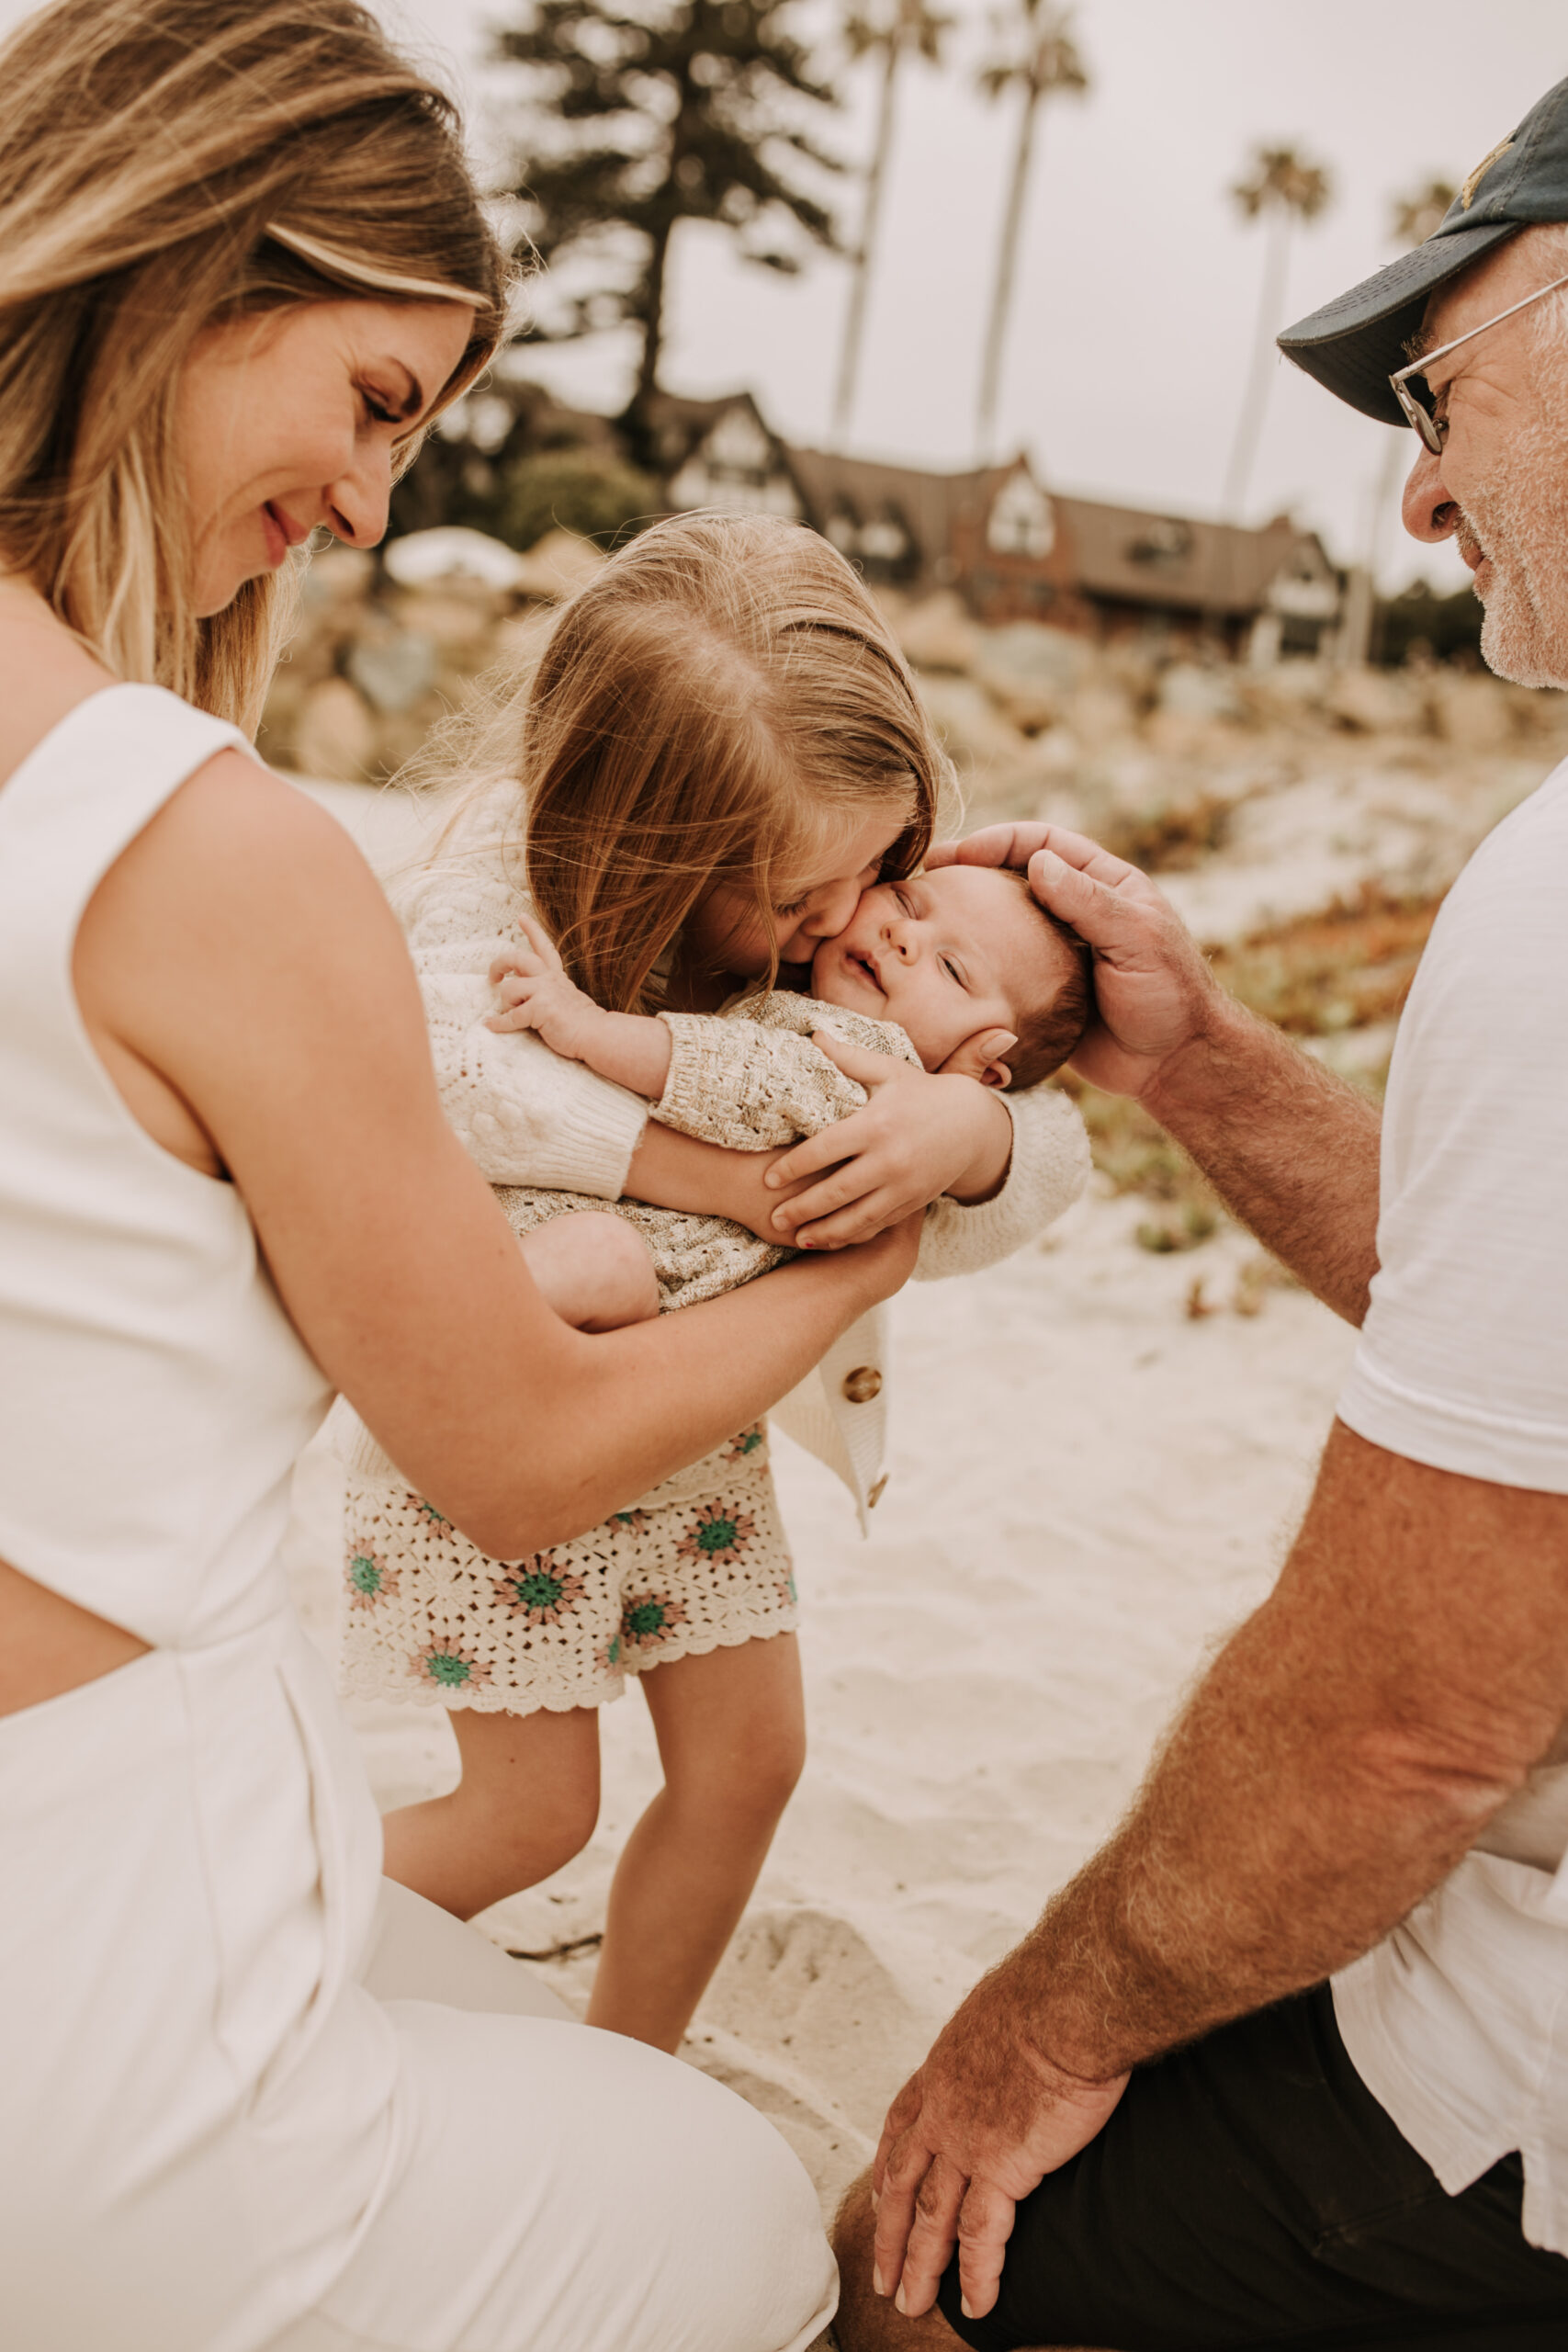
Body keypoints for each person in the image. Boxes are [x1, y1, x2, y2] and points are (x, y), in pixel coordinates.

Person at [0, 6, 921, 2348]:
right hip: (96, 2012)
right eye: (378, 403)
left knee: (495, 2013)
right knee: (740, 2206)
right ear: (194, 266)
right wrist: (861, 1243)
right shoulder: (196, 848)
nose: (376, 504)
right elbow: (500, 1449)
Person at [831, 73, 1568, 2352]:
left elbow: (1405, 1726)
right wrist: (1197, 1069)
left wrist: (1025, 2034)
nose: (1420, 489)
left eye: (1439, 386)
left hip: (1519, 2122)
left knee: (909, 2277)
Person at [331, 514, 1092, 2052]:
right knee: (527, 1818)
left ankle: (633, 2058)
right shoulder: (511, 876)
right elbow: (451, 1075)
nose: (852, 923)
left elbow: (1043, 1171)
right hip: (506, 1395)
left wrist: (973, 1129)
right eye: (806, 895)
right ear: (648, 844)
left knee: (752, 1765)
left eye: (879, 868)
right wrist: (729, 1186)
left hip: (699, 1445)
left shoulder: (856, 956)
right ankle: (244, 1957)